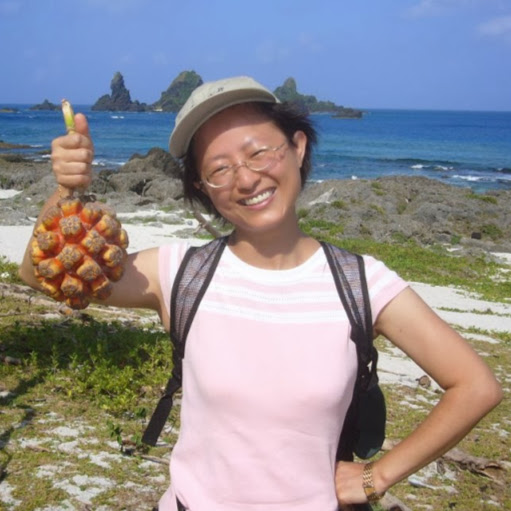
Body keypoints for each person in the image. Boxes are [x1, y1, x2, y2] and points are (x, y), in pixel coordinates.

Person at [19, 76, 502, 511]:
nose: (246, 178)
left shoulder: (360, 283)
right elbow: (41, 275)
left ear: (297, 148)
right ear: (202, 186)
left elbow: (475, 386)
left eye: (259, 153)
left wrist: (377, 477)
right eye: (220, 168)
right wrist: (66, 190)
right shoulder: (180, 273)